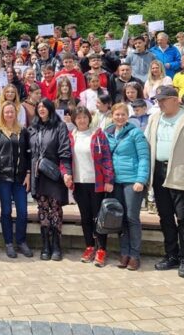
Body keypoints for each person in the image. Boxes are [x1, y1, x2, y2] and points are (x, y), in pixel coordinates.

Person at [145, 86, 184, 278]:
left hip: (181, 173)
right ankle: (171, 255)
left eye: (163, 100)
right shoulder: (154, 118)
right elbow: (146, 143)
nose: (160, 103)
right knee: (165, 216)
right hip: (158, 172)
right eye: (158, 100)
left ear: (175, 99)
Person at [105, 102, 150, 271]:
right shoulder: (108, 133)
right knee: (120, 218)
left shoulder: (135, 133)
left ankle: (135, 255)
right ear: (112, 116)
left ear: (127, 116)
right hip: (115, 181)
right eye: (117, 114)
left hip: (132, 181)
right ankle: (124, 253)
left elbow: (144, 157)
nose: (120, 117)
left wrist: (141, 180)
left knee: (132, 218)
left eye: (123, 114)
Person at [28, 99, 73, 262]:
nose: (41, 109)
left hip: (54, 174)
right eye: (39, 107)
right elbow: (29, 152)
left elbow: (65, 151)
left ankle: (56, 245)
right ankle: (45, 245)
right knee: (43, 209)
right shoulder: (32, 128)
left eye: (44, 107)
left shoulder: (59, 126)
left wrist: (66, 172)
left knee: (55, 209)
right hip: (38, 174)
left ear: (50, 109)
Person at [69, 106, 114, 267]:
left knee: (98, 217)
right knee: (85, 217)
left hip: (97, 183)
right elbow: (66, 159)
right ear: (74, 120)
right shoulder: (71, 136)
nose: (82, 120)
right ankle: (89, 246)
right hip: (79, 183)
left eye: (84, 117)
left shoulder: (98, 134)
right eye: (78, 118)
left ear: (89, 118)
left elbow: (106, 157)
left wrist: (109, 179)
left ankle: (101, 249)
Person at [0, 101, 33, 258]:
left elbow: (28, 155)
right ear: (2, 113)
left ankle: (21, 241)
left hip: (20, 178)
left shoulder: (23, 131)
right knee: (6, 211)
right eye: (6, 112)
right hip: (3, 177)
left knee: (22, 211)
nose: (9, 114)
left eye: (12, 112)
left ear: (16, 113)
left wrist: (28, 174)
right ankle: (8, 243)